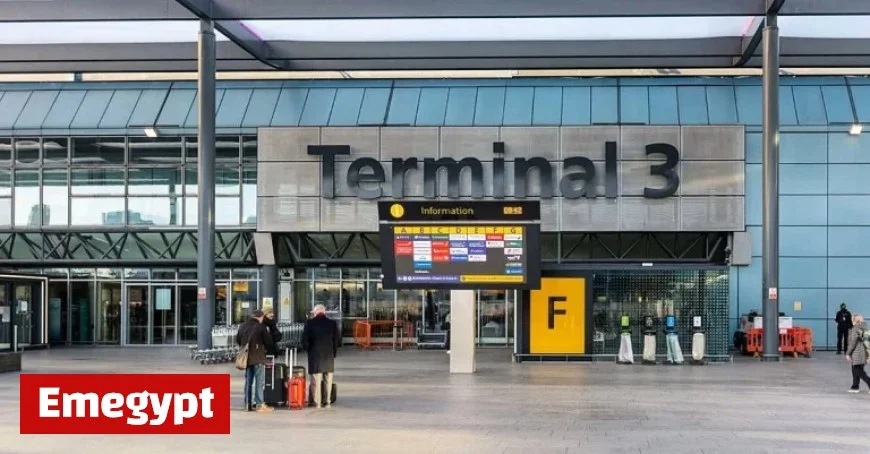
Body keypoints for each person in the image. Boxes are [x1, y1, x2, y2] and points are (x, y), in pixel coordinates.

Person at [236, 309, 274, 412]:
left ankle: (247, 404)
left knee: (248, 381)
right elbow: (268, 342)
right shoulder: (261, 327)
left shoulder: (243, 326)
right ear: (261, 317)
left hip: (246, 358)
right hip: (258, 357)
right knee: (259, 381)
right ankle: (259, 404)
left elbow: (238, 340)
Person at [302, 304, 340, 408]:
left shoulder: (309, 323)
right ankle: (327, 401)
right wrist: (334, 353)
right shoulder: (332, 323)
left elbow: (305, 340)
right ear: (324, 312)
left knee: (316, 381)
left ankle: (317, 402)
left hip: (315, 356)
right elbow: (336, 340)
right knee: (328, 380)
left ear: (315, 312)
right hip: (328, 356)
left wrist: (308, 349)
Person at [846, 314, 870, 393]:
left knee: (857, 370)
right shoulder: (865, 328)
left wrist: (848, 353)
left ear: (854, 320)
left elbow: (853, 343)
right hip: (865, 352)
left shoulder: (855, 329)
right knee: (855, 369)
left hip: (857, 352)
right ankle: (855, 387)